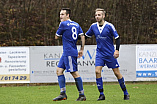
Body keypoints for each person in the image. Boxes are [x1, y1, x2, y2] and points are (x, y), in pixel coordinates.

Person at [85, 8, 130, 101]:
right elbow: (86, 36)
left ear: (103, 16)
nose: (97, 17)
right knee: (97, 71)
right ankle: (101, 94)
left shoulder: (109, 26)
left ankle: (126, 93)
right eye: (96, 15)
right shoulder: (93, 26)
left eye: (99, 15)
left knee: (117, 73)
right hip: (100, 53)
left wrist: (117, 50)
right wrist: (74, 37)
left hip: (110, 54)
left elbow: (117, 38)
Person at [53, 8, 86, 101]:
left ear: (68, 15)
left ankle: (82, 94)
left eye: (63, 14)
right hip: (68, 52)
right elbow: (82, 36)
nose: (60, 16)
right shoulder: (76, 24)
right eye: (60, 14)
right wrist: (82, 49)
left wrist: (61, 31)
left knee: (74, 73)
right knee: (59, 70)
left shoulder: (63, 24)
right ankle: (62, 93)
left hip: (69, 52)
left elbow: (56, 37)